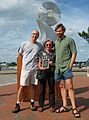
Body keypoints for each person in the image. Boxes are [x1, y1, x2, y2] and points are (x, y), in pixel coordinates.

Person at [12, 29, 43, 113]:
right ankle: (17, 104)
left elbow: (42, 55)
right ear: (31, 34)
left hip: (35, 69)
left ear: (38, 36)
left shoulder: (39, 45)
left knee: (33, 86)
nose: (35, 35)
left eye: (36, 34)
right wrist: (25, 63)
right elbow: (19, 55)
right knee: (22, 86)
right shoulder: (24, 44)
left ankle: (32, 103)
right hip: (25, 69)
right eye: (33, 34)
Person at [54, 23, 80, 118]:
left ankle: (74, 108)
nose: (58, 32)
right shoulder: (56, 42)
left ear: (63, 31)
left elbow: (74, 52)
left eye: (60, 31)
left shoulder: (69, 40)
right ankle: (64, 105)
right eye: (57, 31)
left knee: (70, 86)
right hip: (58, 69)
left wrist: (70, 66)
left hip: (66, 68)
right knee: (62, 87)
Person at [37, 39, 55, 113]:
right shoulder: (41, 53)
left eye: (50, 45)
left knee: (51, 90)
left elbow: (56, 63)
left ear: (52, 45)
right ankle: (41, 105)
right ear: (44, 45)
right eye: (47, 44)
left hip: (51, 73)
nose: (48, 46)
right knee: (42, 90)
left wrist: (52, 63)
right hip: (43, 73)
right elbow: (39, 64)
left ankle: (52, 105)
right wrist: (42, 68)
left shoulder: (54, 53)